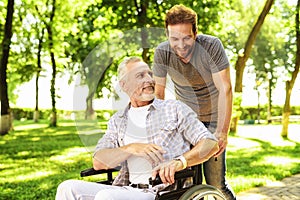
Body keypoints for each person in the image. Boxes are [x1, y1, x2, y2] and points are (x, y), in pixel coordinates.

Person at [55, 57, 219, 200]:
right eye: (140, 75)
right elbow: (99, 162)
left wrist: (179, 162)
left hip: (160, 192)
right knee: (67, 188)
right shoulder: (117, 120)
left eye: (149, 74)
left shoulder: (174, 109)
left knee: (106, 197)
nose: (149, 79)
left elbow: (211, 144)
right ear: (124, 85)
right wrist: (131, 149)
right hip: (126, 188)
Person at [152, 4, 236, 200]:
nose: (180, 45)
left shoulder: (211, 46)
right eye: (174, 39)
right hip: (187, 123)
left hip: (214, 120)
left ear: (195, 33)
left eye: (186, 38)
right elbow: (159, 93)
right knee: (187, 184)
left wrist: (222, 131)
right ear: (167, 36)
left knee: (216, 183)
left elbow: (225, 89)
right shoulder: (163, 53)